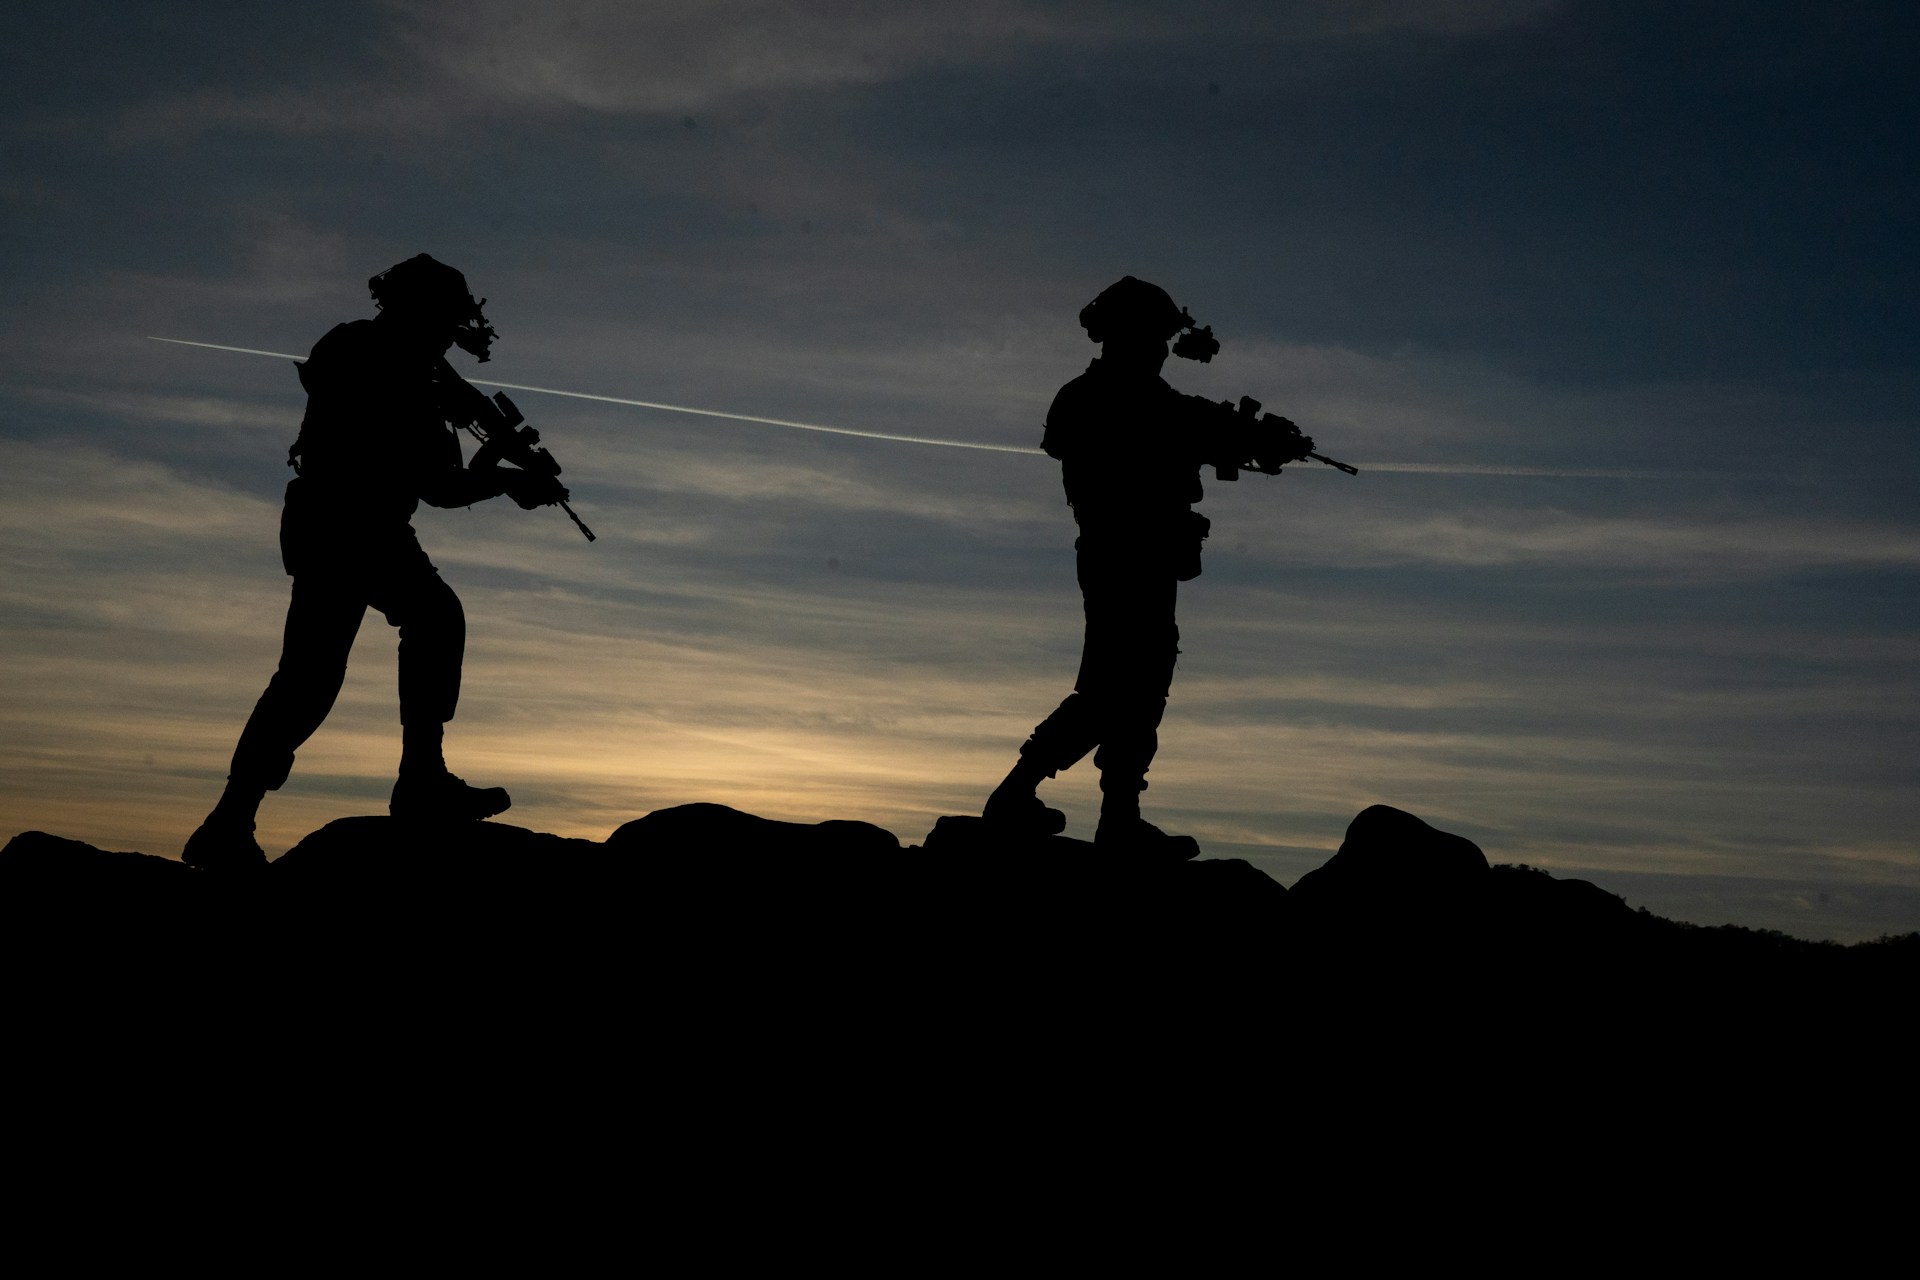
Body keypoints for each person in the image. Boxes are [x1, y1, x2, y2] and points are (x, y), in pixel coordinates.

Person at [183, 254, 567, 871]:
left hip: (347, 525)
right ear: (421, 313)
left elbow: (435, 462)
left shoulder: (376, 353)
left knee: (324, 671)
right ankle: (414, 784)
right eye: (443, 321)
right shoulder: (389, 363)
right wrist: (506, 479)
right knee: (359, 655)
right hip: (351, 526)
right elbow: (438, 485)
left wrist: (496, 460)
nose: (449, 337)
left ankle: (237, 817)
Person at [982, 276, 1253, 855]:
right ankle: (1034, 800)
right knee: (1115, 688)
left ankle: (1108, 815)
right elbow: (1159, 428)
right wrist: (1218, 435)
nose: (1162, 349)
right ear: (1131, 335)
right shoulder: (1109, 398)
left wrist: (1231, 436)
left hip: (1138, 558)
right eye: (1155, 336)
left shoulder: (1132, 399)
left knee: (1136, 686)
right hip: (1123, 558)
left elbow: (1185, 426)